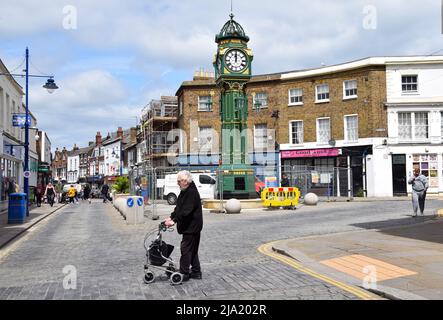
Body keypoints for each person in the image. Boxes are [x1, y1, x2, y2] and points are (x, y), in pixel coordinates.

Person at [164, 170, 203, 282]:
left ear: (185, 181)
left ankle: (184, 273)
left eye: (179, 181)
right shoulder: (185, 191)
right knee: (193, 249)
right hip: (192, 226)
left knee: (185, 249)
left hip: (191, 226)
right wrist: (171, 217)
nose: (178, 183)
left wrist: (175, 220)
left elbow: (186, 210)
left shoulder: (191, 192)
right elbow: (179, 208)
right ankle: (196, 271)